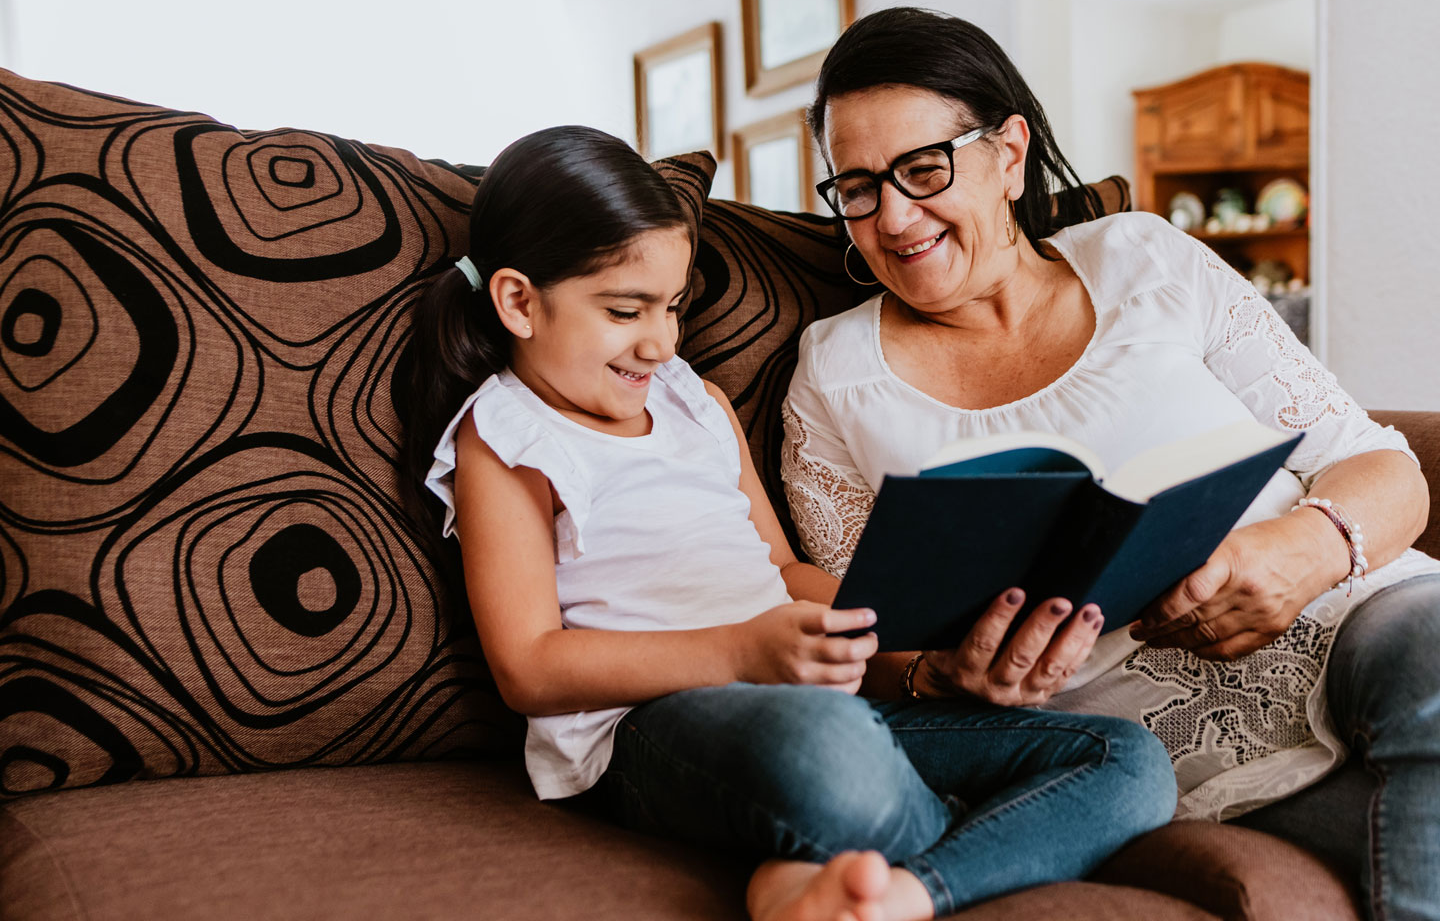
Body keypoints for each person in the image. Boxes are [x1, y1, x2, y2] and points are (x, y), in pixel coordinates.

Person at [398, 125, 1176, 921]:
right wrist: (740, 649)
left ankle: (898, 892)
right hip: (653, 723)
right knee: (824, 748)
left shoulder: (690, 399)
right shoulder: (506, 438)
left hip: (807, 692)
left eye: (671, 307)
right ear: (519, 302)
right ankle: (948, 845)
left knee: (1127, 755)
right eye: (625, 310)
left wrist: (897, 622)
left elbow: (780, 567)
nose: (661, 341)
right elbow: (528, 666)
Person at [781, 6, 1440, 921]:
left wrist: (1307, 549)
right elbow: (860, 626)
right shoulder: (834, 377)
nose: (893, 217)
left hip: (1366, 631)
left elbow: (1383, 467)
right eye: (857, 188)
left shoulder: (1143, 257)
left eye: (923, 170)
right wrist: (940, 674)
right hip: (1155, 743)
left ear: (1008, 153)